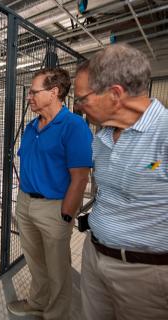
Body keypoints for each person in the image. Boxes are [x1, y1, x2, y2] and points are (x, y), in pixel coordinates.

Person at [74, 43, 168, 320]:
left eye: (83, 99)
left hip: (145, 275)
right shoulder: (102, 137)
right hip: (95, 254)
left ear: (115, 94)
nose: (78, 107)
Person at [7, 68, 93, 320]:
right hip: (25, 203)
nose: (29, 97)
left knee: (57, 269)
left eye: (34, 92)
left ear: (54, 92)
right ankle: (37, 302)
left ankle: (56, 314)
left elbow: (80, 177)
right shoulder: (33, 126)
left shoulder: (73, 125)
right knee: (35, 261)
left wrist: (66, 213)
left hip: (55, 207)